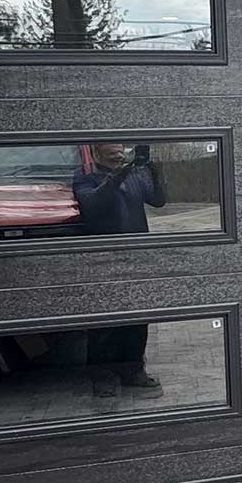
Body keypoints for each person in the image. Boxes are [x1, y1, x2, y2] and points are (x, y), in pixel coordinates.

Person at [72, 143, 168, 388]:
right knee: (105, 321)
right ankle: (102, 375)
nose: (117, 147)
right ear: (96, 150)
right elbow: (93, 206)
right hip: (104, 259)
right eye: (110, 142)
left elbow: (158, 200)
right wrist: (119, 175)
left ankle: (133, 370)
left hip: (137, 258)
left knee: (138, 317)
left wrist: (153, 169)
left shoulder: (135, 174)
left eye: (118, 142)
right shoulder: (85, 177)